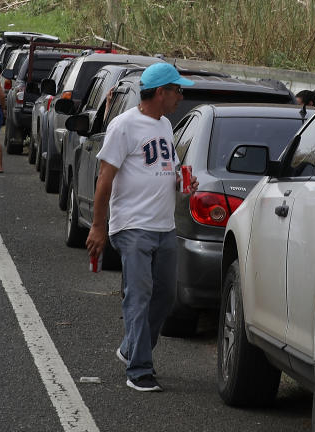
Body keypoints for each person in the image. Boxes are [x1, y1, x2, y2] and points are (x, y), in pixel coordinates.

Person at [86, 63, 198, 393]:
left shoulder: (165, 125)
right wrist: (97, 226)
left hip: (164, 226)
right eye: (178, 90)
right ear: (160, 92)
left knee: (164, 298)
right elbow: (104, 180)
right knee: (139, 295)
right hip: (133, 225)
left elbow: (169, 168)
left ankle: (130, 347)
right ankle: (139, 369)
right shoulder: (124, 126)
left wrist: (181, 181)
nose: (181, 96)